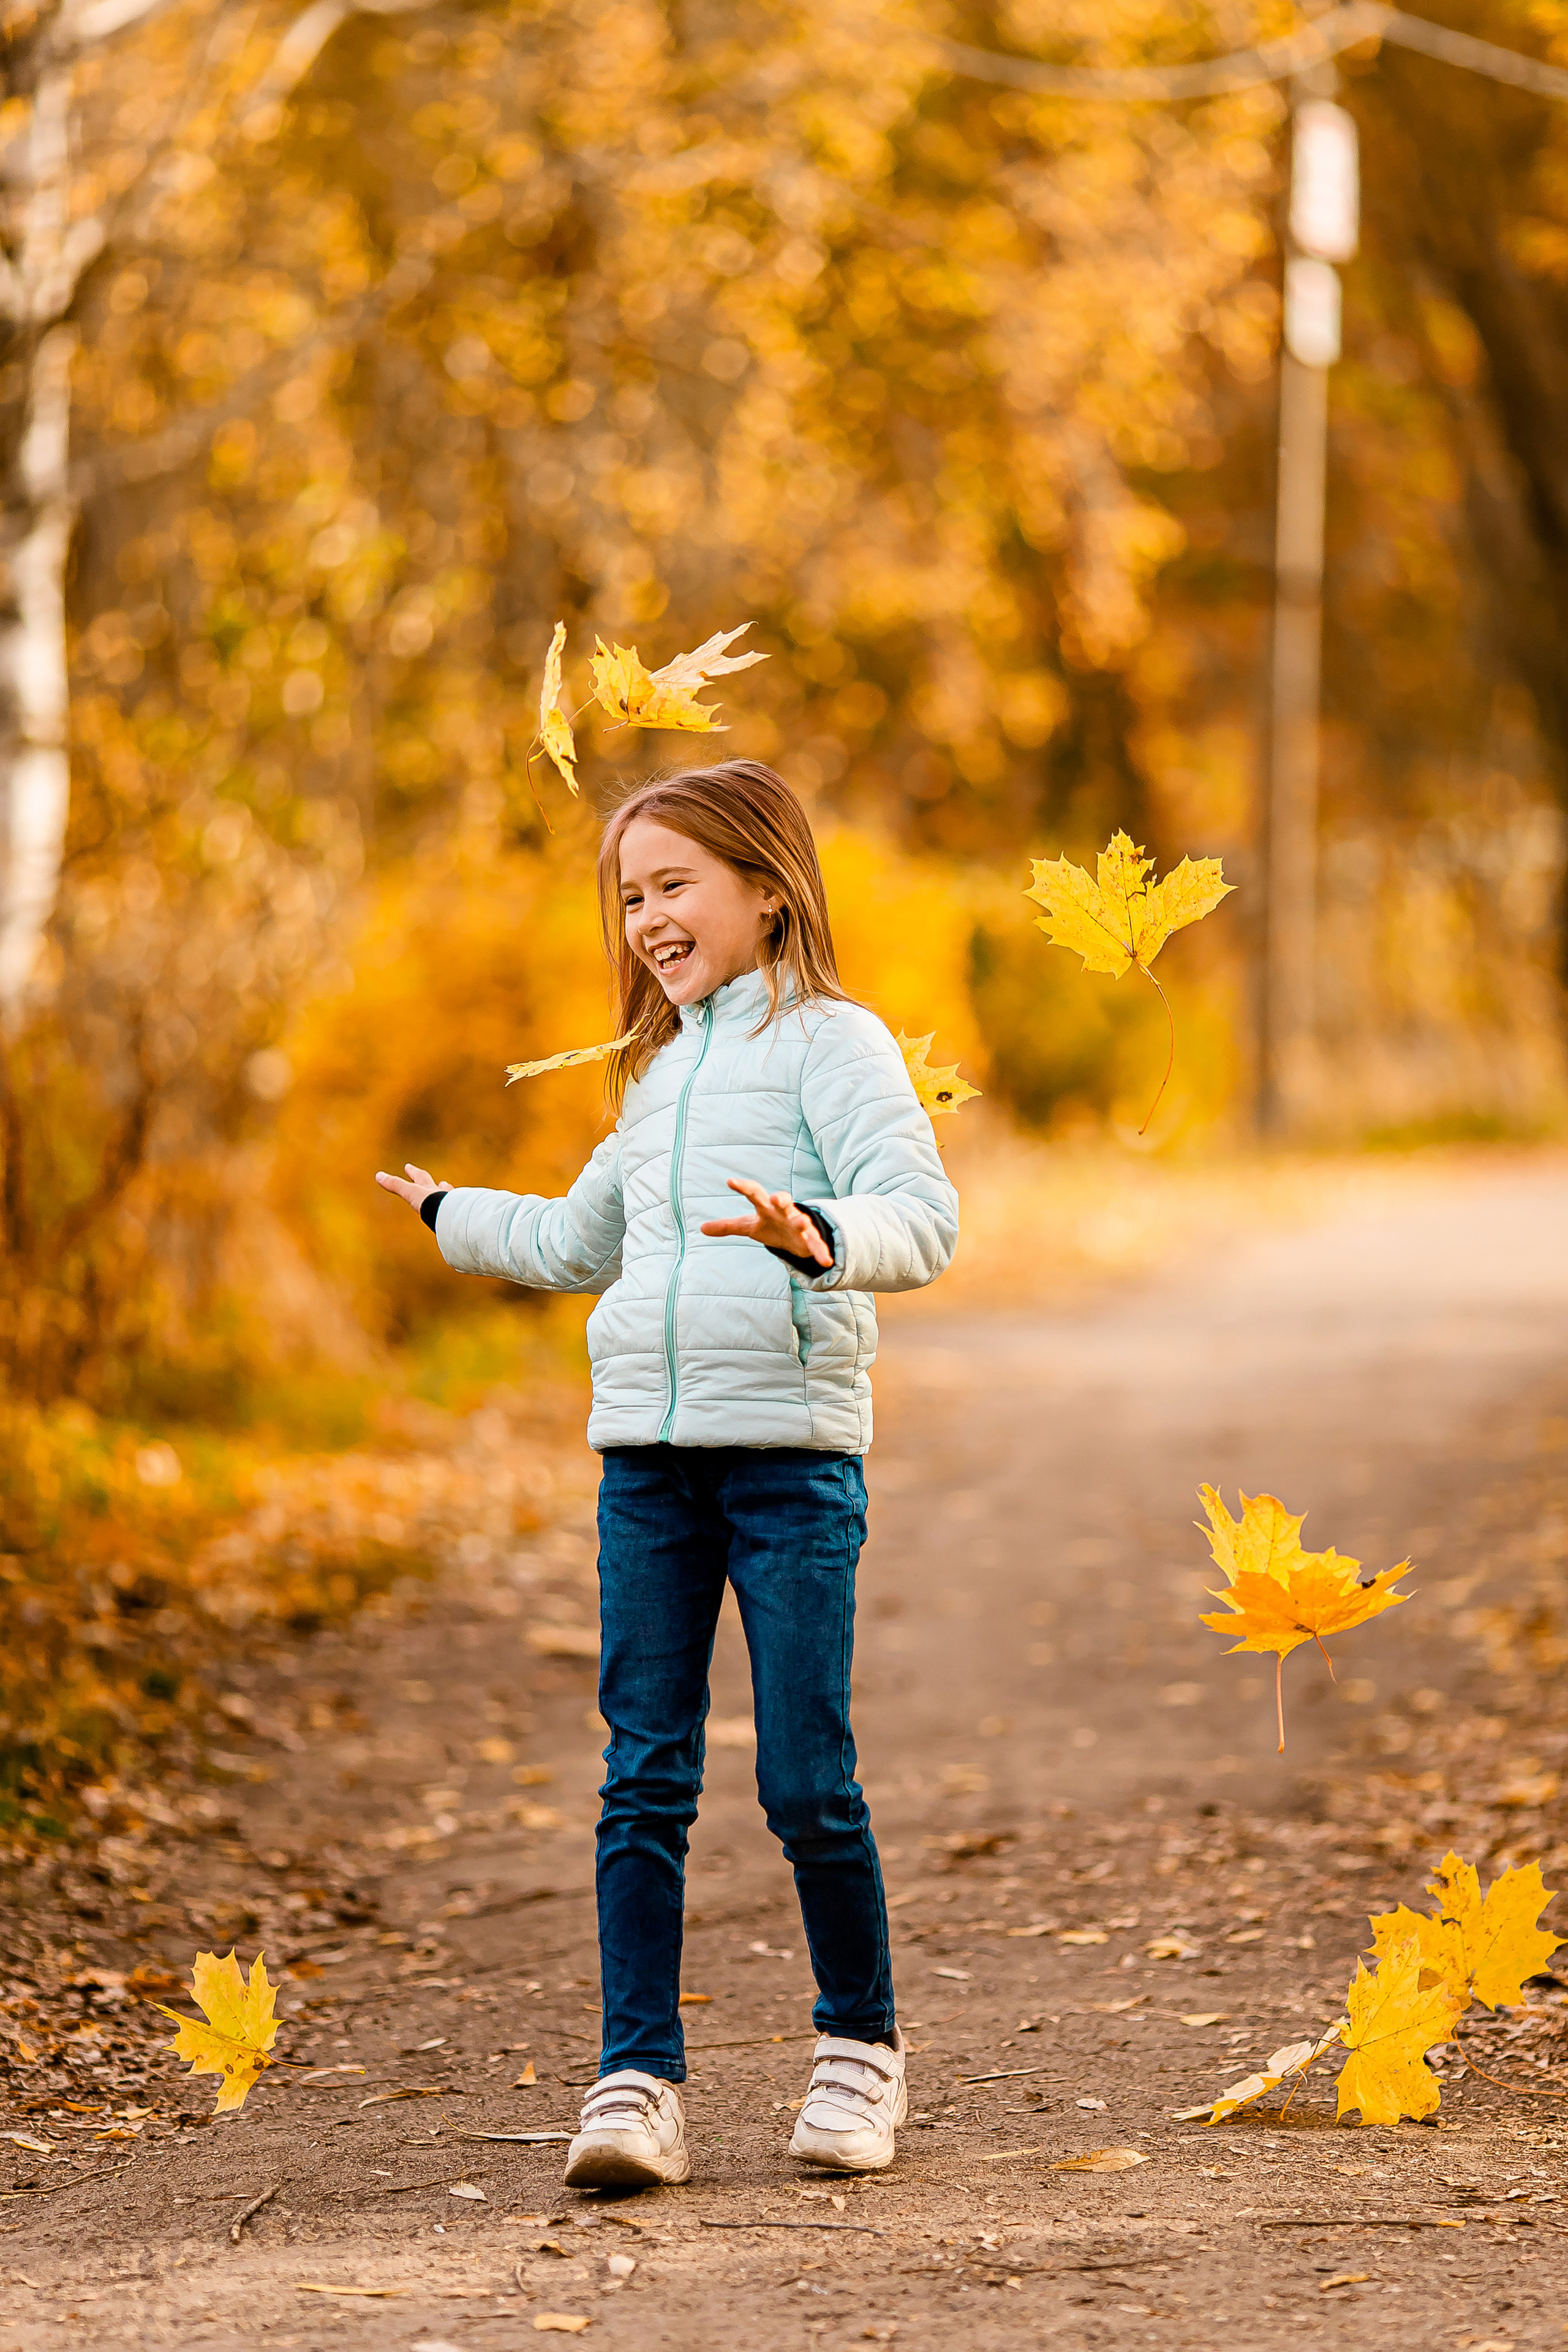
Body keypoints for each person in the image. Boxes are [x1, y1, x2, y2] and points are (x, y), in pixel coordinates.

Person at [376, 758, 958, 2188]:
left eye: (674, 884)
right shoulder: (656, 1073)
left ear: (768, 888)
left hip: (789, 1466)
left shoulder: (835, 1043)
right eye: (630, 894)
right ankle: (635, 2081)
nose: (646, 916)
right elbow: (583, 1242)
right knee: (642, 1776)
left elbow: (922, 1217)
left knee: (808, 1780)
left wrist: (813, 1229)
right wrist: (455, 1213)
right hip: (645, 1467)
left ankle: (858, 2053)